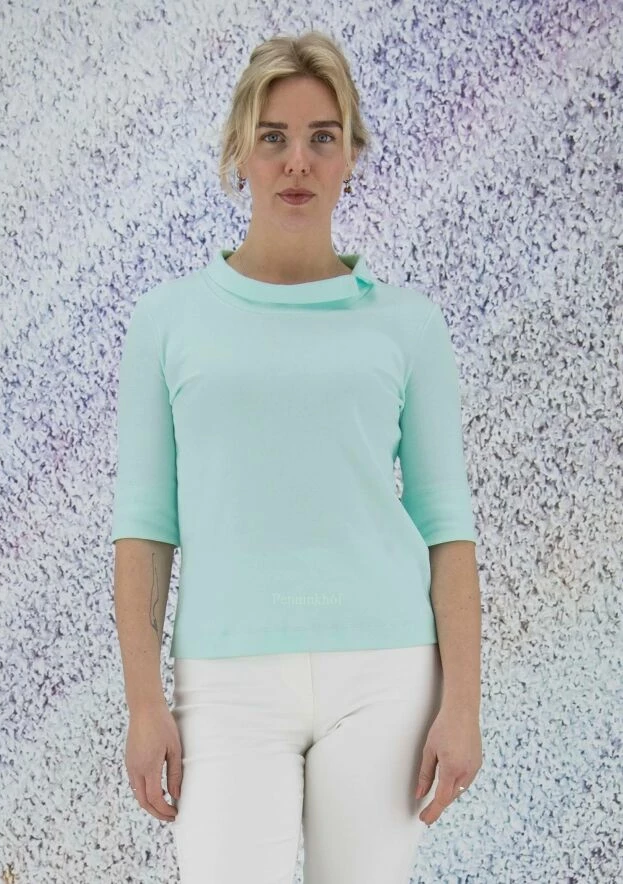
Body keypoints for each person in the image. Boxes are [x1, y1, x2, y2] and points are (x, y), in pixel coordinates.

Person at [111, 29, 483, 884]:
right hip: (224, 681)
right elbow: (145, 525)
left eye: (322, 137)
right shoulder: (167, 322)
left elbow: (445, 523)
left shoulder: (407, 325)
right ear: (240, 151)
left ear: (350, 155)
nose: (296, 162)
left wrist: (461, 703)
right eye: (273, 136)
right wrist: (142, 703)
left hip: (387, 674)